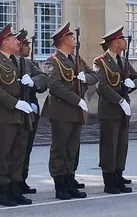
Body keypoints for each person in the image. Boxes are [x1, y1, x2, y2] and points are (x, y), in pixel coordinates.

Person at [42, 22, 97, 199]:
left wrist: (85, 78)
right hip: (61, 110)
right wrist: (77, 100)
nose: (74, 40)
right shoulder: (53, 61)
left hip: (75, 111)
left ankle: (69, 179)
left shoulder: (77, 59)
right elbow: (55, 85)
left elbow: (95, 75)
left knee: (72, 147)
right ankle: (60, 184)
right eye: (71, 37)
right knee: (60, 148)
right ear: (64, 40)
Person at [0, 24, 36, 206]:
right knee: (4, 153)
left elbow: (42, 77)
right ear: (5, 42)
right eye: (14, 39)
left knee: (19, 152)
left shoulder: (21, 61)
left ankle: (16, 187)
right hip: (5, 114)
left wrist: (33, 82)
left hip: (23, 115)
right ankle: (4, 190)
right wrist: (15, 103)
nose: (18, 42)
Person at [95, 26, 137, 193]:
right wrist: (120, 100)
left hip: (123, 111)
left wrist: (133, 84)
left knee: (122, 145)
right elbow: (102, 86)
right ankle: (109, 180)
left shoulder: (123, 61)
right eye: (122, 39)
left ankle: (118, 174)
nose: (124, 42)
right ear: (114, 42)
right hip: (109, 110)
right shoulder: (100, 61)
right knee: (109, 145)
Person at [14, 30, 47, 194]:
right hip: (15, 108)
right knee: (15, 149)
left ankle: (22, 178)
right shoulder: (6, 62)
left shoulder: (28, 63)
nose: (28, 47)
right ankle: (13, 181)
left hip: (30, 107)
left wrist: (33, 83)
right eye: (25, 44)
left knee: (27, 146)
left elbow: (43, 78)